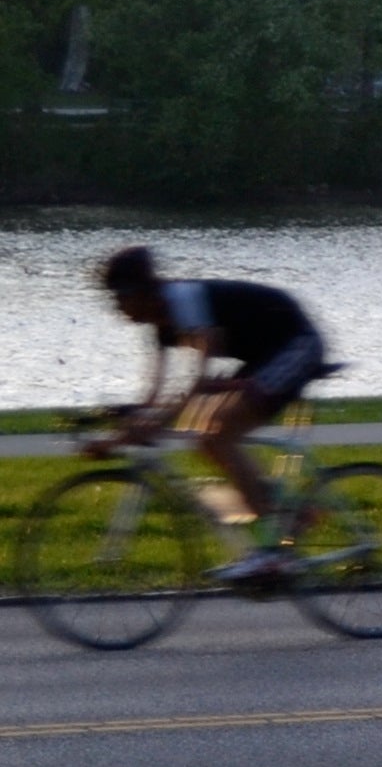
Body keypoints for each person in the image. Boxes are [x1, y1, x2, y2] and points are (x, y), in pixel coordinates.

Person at [94, 247, 328, 576]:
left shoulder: (185, 302)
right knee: (206, 437)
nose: (116, 307)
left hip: (296, 343)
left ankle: (272, 553)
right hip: (264, 354)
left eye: (119, 297)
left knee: (221, 433)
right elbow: (154, 395)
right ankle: (290, 512)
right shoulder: (160, 323)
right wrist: (123, 426)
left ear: (142, 292)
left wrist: (146, 427)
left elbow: (195, 382)